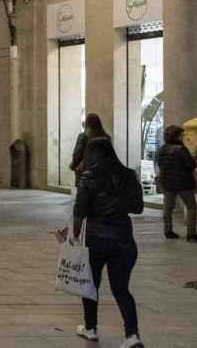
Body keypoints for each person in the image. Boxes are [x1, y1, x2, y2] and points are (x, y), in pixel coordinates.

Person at [72, 137, 144, 347]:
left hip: (97, 240)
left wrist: (74, 235)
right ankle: (132, 335)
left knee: (90, 286)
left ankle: (91, 328)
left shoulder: (88, 177)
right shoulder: (128, 174)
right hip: (123, 239)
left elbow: (80, 211)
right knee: (121, 289)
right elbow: (138, 207)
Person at [154, 125, 197, 241]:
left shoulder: (160, 149)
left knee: (168, 208)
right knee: (191, 206)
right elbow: (191, 165)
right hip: (183, 183)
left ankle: (168, 231)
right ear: (178, 136)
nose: (183, 136)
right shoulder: (180, 149)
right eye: (182, 135)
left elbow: (160, 165)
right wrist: (194, 157)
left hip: (167, 183)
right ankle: (191, 234)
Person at [70, 114, 110, 186]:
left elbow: (77, 153)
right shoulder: (107, 137)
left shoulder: (83, 136)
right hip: (101, 174)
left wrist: (73, 165)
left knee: (84, 195)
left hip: (85, 172)